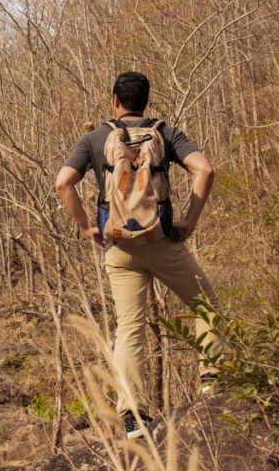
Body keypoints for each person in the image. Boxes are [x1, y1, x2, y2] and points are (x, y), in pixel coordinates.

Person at [53, 71, 220, 440]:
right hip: (162, 243)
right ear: (146, 100)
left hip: (119, 248)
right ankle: (212, 387)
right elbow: (204, 170)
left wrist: (85, 226)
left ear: (115, 99)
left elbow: (63, 183)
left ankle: (133, 417)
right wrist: (190, 220)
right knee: (207, 305)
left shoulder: (95, 138)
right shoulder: (167, 132)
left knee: (130, 327)